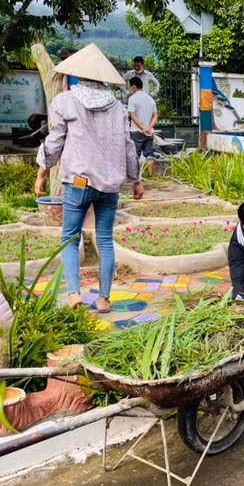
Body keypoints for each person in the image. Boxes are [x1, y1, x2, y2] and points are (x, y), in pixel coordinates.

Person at [34, 43, 143, 314]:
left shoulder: (65, 101)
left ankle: (74, 295)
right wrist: (137, 180)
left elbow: (55, 140)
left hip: (78, 184)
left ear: (78, 74)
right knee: (105, 240)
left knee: (70, 238)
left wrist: (42, 171)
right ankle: (104, 299)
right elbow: (129, 145)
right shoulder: (118, 108)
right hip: (110, 185)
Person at [127, 76, 158, 177]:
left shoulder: (132, 99)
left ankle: (136, 177)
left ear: (134, 87)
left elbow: (133, 116)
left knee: (135, 155)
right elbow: (155, 115)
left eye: (131, 87)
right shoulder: (150, 99)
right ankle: (150, 176)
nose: (130, 89)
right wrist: (149, 127)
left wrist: (143, 128)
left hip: (136, 132)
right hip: (149, 132)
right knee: (149, 154)